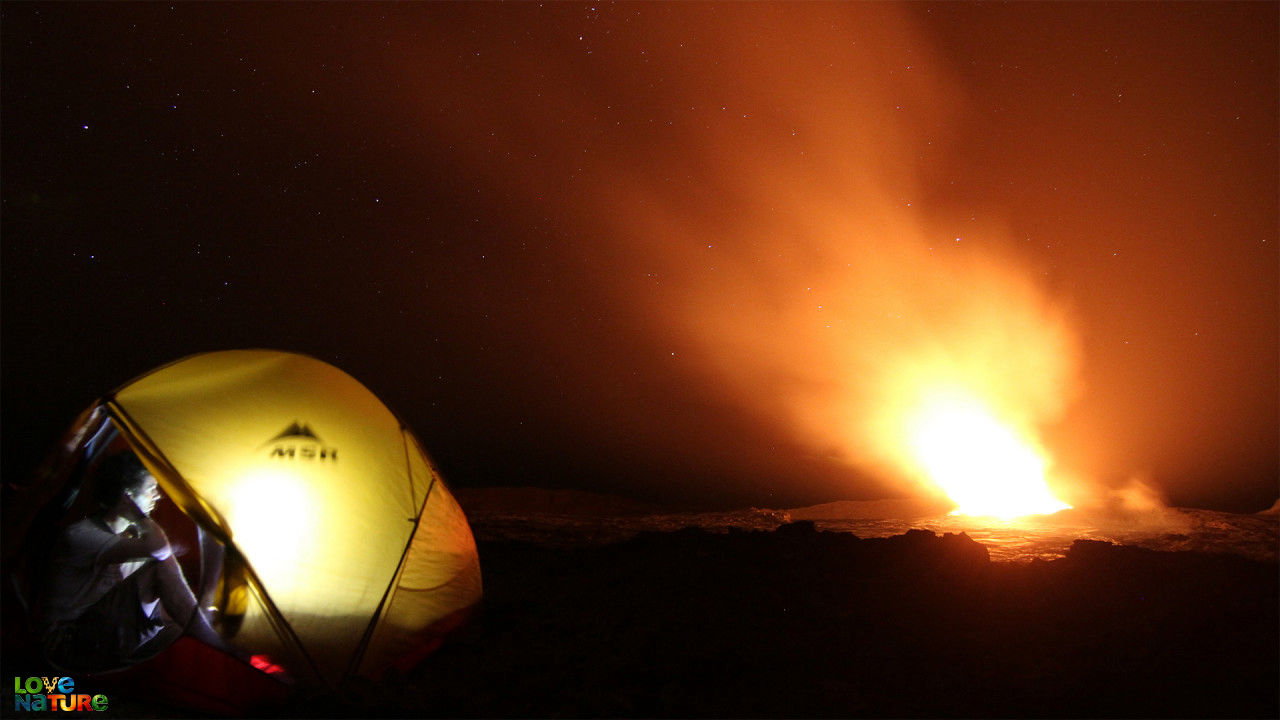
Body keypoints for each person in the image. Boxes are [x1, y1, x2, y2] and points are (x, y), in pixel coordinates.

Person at [40, 453, 229, 673]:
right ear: (127, 497)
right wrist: (140, 516)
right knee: (160, 564)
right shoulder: (82, 535)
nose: (157, 496)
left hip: (103, 638)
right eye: (150, 489)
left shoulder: (131, 538)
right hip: (67, 645)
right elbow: (159, 551)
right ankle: (211, 638)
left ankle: (207, 625)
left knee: (181, 616)